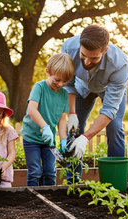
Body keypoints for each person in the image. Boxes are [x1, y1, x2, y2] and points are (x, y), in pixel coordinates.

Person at [61, 24, 128, 181]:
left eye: (93, 58)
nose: (86, 62)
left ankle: (115, 182)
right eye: (83, 55)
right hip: (81, 87)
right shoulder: (68, 48)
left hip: (108, 89)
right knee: (74, 127)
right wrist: (72, 114)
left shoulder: (120, 64)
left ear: (104, 50)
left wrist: (86, 138)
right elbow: (69, 85)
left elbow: (110, 110)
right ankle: (73, 181)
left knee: (114, 126)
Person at [21, 53, 74, 186]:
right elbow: (32, 110)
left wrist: (63, 139)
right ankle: (32, 198)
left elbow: (62, 119)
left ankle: (50, 199)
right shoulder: (39, 88)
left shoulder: (64, 94)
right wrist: (44, 127)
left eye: (64, 81)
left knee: (50, 171)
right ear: (48, 72)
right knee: (35, 172)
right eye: (57, 80)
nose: (60, 84)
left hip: (48, 141)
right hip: (31, 138)